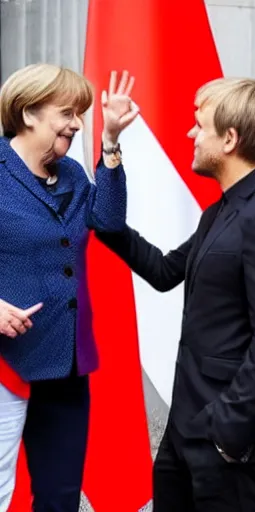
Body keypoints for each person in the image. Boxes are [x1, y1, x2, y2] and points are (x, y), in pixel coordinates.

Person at [97, 77, 255, 511]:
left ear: (230, 138)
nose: (191, 134)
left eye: (199, 125)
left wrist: (228, 433)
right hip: (187, 426)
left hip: (229, 441)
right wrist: (110, 149)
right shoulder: (223, 209)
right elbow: (164, 269)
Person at [0, 63, 138, 511]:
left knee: (59, 498)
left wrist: (111, 142)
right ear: (27, 114)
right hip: (6, 369)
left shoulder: (75, 174)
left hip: (65, 365)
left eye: (81, 113)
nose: (77, 123)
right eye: (68, 112)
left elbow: (110, 220)